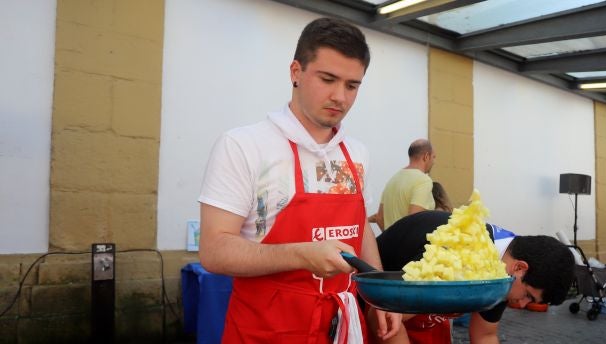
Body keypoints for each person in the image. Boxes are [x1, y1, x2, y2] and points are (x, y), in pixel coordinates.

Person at [198, 18, 400, 343]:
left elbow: (360, 227)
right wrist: (302, 255)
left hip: (342, 325)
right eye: (328, 79)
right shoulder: (244, 145)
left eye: (352, 85)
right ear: (296, 72)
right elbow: (214, 250)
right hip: (267, 328)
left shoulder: (357, 152)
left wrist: (380, 294)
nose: (340, 97)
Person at [370, 210, 575, 344]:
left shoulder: (505, 266)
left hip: (423, 319)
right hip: (372, 307)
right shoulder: (460, 253)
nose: (522, 305)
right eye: (528, 296)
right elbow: (384, 318)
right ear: (520, 268)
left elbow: (485, 335)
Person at [370, 139, 437, 230]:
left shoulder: (393, 179)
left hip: (391, 243)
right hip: (411, 243)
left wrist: (392, 238)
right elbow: (414, 219)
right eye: (433, 157)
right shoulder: (423, 180)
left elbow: (380, 218)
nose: (434, 162)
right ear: (426, 156)